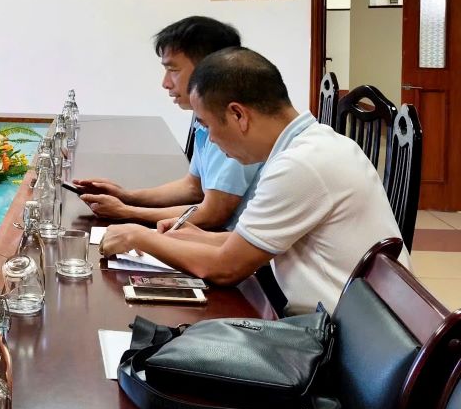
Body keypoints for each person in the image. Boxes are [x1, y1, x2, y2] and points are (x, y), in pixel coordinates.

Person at [99, 47, 406, 314]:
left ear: (238, 115)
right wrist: (193, 235)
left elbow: (226, 267)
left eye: (207, 125)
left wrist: (140, 237)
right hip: (359, 322)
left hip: (344, 346)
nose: (212, 140)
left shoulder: (299, 165)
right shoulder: (313, 143)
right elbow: (247, 244)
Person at [77, 16, 262, 230]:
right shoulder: (208, 119)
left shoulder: (232, 124)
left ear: (209, 70)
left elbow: (213, 214)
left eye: (173, 70)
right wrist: (127, 196)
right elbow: (193, 187)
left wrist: (126, 212)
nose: (165, 83)